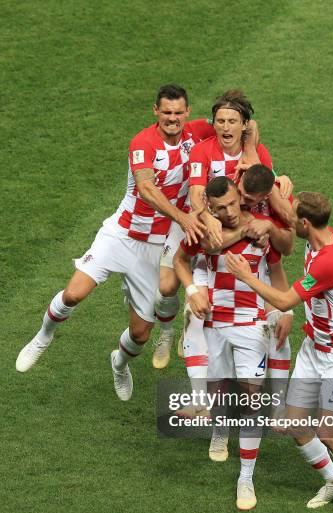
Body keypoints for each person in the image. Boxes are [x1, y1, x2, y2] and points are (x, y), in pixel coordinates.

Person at [16, 84, 212, 402]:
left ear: (187, 112)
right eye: (166, 112)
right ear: (156, 112)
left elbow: (239, 123)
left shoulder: (198, 132)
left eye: (178, 113)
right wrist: (182, 216)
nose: (172, 118)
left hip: (153, 248)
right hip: (120, 236)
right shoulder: (143, 143)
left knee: (139, 334)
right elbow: (147, 189)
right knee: (74, 293)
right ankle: (42, 337)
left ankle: (119, 364)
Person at [226, 191, 333, 513]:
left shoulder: (328, 261)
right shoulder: (319, 238)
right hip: (314, 349)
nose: (290, 221)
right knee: (291, 424)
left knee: (327, 431)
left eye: (295, 218)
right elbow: (286, 210)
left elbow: (286, 300)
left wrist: (245, 276)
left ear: (306, 223)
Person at [152, 89, 294, 370]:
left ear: (243, 126)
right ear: (213, 122)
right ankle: (167, 331)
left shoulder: (256, 151)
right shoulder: (203, 150)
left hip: (239, 225)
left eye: (232, 121)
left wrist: (278, 181)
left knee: (259, 293)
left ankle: (244, 364)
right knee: (168, 285)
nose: (225, 127)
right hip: (201, 219)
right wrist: (208, 215)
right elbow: (195, 195)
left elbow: (264, 180)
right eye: (220, 121)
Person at [174, 176, 290, 511]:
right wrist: (193, 290)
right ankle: (220, 430)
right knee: (218, 393)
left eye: (232, 204)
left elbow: (276, 267)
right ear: (209, 206)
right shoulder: (204, 230)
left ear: (240, 197)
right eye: (220, 208)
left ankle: (246, 478)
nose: (229, 211)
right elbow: (182, 261)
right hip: (214, 324)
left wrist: (284, 306)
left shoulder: (262, 228)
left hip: (251, 326)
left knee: (253, 400)